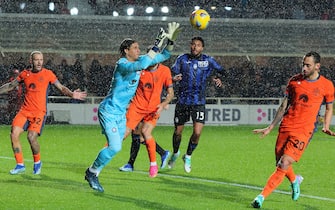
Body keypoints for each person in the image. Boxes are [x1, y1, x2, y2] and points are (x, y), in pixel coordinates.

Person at [84, 22, 181, 192]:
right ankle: (92, 172)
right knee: (115, 146)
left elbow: (164, 55)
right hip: (109, 111)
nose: (138, 50)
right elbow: (140, 66)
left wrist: (170, 41)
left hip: (120, 114)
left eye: (139, 48)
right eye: (135, 48)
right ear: (126, 51)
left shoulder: (140, 61)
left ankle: (95, 172)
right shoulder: (122, 64)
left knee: (116, 145)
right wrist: (157, 43)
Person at [251, 51, 335, 208]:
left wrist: (326, 125)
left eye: (308, 65)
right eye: (303, 64)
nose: (304, 67)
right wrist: (270, 127)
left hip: (304, 130)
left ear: (317, 66)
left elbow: (329, 108)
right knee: (280, 163)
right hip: (286, 126)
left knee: (284, 163)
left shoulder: (326, 85)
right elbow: (284, 105)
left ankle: (261, 197)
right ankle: (295, 180)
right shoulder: (294, 81)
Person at [0, 51, 87, 175]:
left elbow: (61, 87)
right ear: (31, 61)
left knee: (31, 137)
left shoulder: (48, 74)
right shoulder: (25, 74)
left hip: (39, 113)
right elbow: (11, 85)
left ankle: (37, 162)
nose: (39, 62)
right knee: (14, 133)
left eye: (41, 59)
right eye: (36, 60)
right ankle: (20, 165)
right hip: (25, 111)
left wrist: (72, 94)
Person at [167, 36, 224, 173]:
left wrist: (218, 78)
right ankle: (175, 153)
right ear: (190, 45)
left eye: (198, 45)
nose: (195, 47)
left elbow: (222, 71)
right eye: (193, 44)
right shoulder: (182, 59)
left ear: (202, 48)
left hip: (199, 102)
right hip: (182, 101)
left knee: (197, 133)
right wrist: (173, 79)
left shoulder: (208, 60)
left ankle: (188, 156)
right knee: (178, 132)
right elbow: (170, 74)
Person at [119, 55, 174, 177]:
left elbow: (170, 91)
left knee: (142, 134)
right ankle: (161, 153)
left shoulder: (164, 70)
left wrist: (164, 103)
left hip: (152, 109)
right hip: (138, 107)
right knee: (136, 135)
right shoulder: (141, 68)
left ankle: (134, 163)